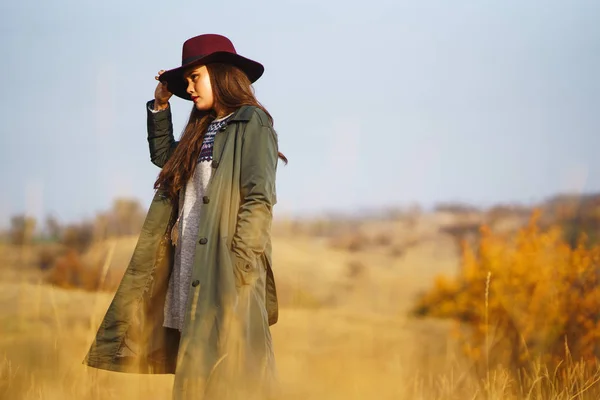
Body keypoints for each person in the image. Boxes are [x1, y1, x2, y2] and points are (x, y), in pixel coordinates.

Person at [82, 34, 285, 400]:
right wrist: (161, 105)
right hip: (189, 267)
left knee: (237, 373)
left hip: (227, 269)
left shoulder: (251, 122)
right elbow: (165, 158)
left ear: (222, 74)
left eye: (195, 77)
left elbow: (259, 199)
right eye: (186, 81)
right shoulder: (202, 128)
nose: (189, 88)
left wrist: (238, 266)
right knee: (195, 375)